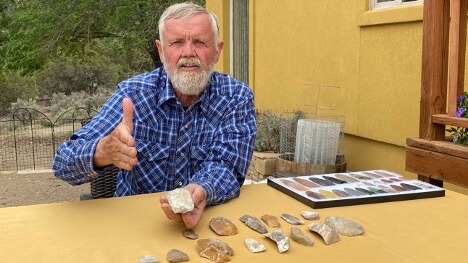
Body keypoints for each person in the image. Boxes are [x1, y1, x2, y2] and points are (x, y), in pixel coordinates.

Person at [52, 2, 256, 229]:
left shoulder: (236, 97)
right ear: (161, 50)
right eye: (177, 42)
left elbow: (228, 167)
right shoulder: (133, 94)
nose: (188, 53)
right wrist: (103, 151)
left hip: (204, 222)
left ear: (217, 50)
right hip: (134, 226)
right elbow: (63, 163)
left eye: (200, 42)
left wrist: (202, 190)